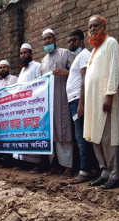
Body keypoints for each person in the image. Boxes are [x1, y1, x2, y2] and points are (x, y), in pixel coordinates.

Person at [84, 15, 119, 189]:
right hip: (92, 101)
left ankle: (115, 175)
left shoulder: (111, 43)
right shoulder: (94, 50)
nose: (92, 29)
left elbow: (115, 69)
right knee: (94, 137)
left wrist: (110, 94)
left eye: (96, 26)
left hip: (104, 99)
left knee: (107, 138)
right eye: (90, 27)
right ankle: (104, 172)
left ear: (104, 27)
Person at [40, 28, 74, 176]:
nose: (47, 41)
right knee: (52, 133)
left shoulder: (65, 53)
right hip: (49, 102)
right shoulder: (43, 61)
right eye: (44, 39)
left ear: (55, 38)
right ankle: (56, 164)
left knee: (64, 131)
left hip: (63, 99)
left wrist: (64, 72)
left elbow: (77, 72)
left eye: (49, 38)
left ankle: (69, 165)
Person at [65, 29, 97, 184]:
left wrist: (82, 104)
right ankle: (89, 168)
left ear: (82, 41)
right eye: (70, 41)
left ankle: (84, 171)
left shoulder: (84, 55)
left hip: (78, 101)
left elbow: (86, 78)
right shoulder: (78, 57)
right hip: (74, 101)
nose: (72, 43)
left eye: (75, 40)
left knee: (80, 137)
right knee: (81, 136)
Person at [15, 43, 42, 171]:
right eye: (21, 53)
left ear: (31, 53)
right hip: (22, 109)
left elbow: (40, 86)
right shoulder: (22, 71)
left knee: (35, 135)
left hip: (33, 107)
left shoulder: (37, 66)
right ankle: (26, 162)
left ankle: (38, 164)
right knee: (24, 135)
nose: (23, 55)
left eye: (25, 53)